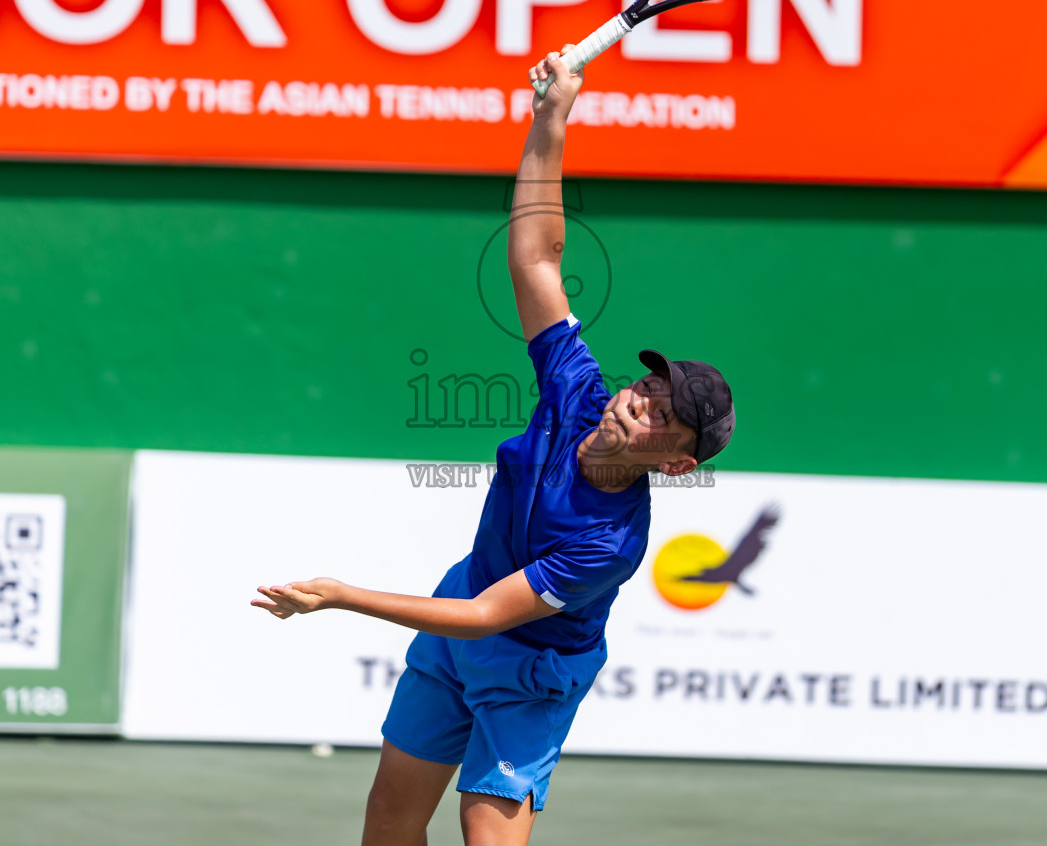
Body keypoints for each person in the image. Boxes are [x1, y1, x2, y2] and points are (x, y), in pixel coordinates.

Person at [252, 47, 736, 846]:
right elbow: (537, 256)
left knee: (488, 836)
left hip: (528, 669)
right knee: (388, 826)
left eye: (663, 414)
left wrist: (340, 595)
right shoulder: (578, 391)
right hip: (459, 610)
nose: (640, 400)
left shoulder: (610, 542)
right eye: (649, 386)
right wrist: (552, 118)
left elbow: (484, 618)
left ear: (679, 462)